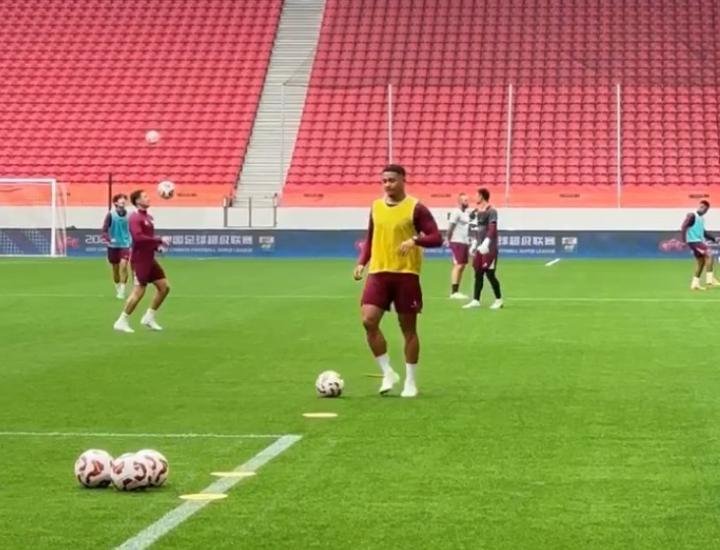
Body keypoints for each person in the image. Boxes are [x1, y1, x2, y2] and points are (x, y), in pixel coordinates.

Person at [354, 165, 442, 397]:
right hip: (378, 273)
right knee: (368, 320)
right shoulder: (376, 206)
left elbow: (436, 238)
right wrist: (362, 262)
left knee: (408, 330)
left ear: (403, 180)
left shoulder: (416, 208)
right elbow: (371, 238)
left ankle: (410, 382)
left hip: (406, 275)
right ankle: (388, 372)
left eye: (392, 180)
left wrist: (415, 241)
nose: (387, 185)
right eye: (384, 181)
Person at [113, 190, 171, 333]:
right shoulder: (135, 218)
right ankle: (122, 320)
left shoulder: (148, 217)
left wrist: (157, 248)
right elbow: (138, 238)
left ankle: (149, 317)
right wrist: (159, 239)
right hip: (140, 260)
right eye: (145, 197)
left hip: (150, 258)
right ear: (137, 201)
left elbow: (147, 239)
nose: (148, 198)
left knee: (164, 287)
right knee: (139, 290)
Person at [463, 188, 503, 310]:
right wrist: (475, 243)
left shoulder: (492, 211)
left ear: (482, 196)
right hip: (480, 247)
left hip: (489, 248)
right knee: (478, 273)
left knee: (490, 274)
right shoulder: (476, 212)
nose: (474, 197)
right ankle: (476, 300)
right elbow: (477, 229)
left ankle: (499, 299)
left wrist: (486, 242)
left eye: (476, 195)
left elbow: (492, 229)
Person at [681, 200, 720, 290]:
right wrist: (683, 241)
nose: (703, 210)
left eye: (705, 209)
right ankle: (710, 279)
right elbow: (683, 226)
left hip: (698, 241)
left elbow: (704, 232)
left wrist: (714, 239)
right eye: (701, 207)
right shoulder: (692, 215)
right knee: (709, 254)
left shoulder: (701, 219)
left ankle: (695, 284)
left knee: (701, 262)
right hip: (694, 241)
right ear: (699, 206)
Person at [101, 194, 132, 299]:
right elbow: (104, 230)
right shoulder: (111, 215)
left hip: (125, 244)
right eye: (120, 200)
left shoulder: (129, 215)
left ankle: (122, 291)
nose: (123, 201)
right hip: (113, 245)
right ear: (116, 203)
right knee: (115, 269)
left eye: (124, 200)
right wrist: (109, 239)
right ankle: (118, 287)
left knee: (124, 266)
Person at [447, 192, 471, 299]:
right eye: (465, 200)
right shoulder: (456, 212)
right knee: (458, 265)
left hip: (464, 242)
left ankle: (457, 290)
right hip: (457, 241)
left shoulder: (466, 213)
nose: (467, 202)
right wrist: (448, 239)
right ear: (460, 202)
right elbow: (451, 226)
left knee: (463, 266)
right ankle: (454, 292)